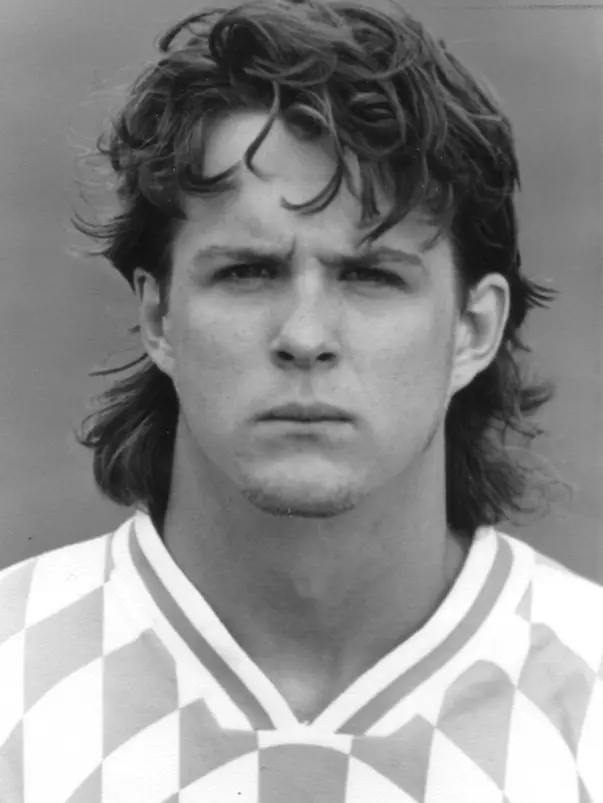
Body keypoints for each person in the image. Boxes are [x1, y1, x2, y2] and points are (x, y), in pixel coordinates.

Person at [0, 0, 601, 800]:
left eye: (370, 275)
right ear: (159, 317)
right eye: (247, 271)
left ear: (474, 328)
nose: (305, 334)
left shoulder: (587, 703)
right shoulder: (13, 677)